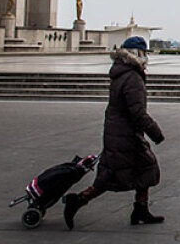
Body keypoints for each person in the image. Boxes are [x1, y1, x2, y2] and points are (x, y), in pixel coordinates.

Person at [63, 36, 165, 230]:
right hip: (124, 134)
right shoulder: (132, 77)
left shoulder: (122, 73)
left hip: (118, 130)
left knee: (144, 167)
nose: (146, 58)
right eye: (144, 53)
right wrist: (155, 132)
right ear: (136, 54)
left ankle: (140, 209)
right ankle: (77, 200)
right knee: (113, 175)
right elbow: (137, 111)